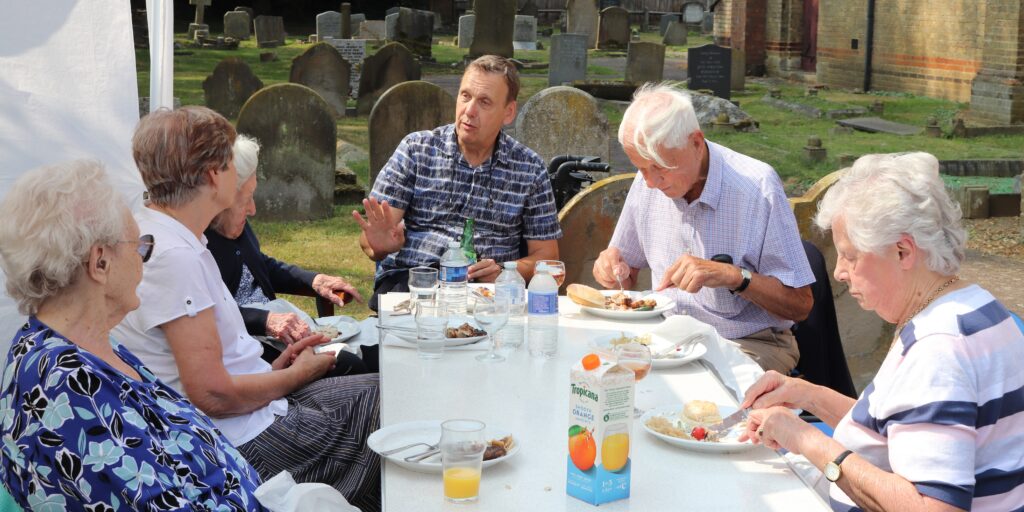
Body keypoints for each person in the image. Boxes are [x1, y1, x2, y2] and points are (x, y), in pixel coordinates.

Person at [112, 107, 381, 511]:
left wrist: (276, 370)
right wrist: (295, 377)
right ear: (212, 176)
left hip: (253, 412)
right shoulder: (175, 256)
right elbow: (212, 395)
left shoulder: (168, 236)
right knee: (392, 419)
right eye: (229, 163)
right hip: (242, 443)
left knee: (388, 391)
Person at [739, 152, 1024, 511]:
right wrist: (804, 394)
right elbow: (898, 429)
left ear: (903, 251)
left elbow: (933, 507)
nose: (840, 272)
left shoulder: (938, 349)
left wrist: (807, 440)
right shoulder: (976, 306)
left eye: (851, 256)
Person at [0, 160, 267, 510]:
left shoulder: (88, 344)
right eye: (139, 247)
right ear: (100, 263)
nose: (144, 260)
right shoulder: (67, 388)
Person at [593, 83, 814, 374]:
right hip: (665, 336)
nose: (649, 182)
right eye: (641, 168)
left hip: (747, 341)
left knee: (693, 396)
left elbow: (800, 305)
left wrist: (734, 277)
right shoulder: (648, 180)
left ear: (696, 142)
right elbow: (628, 271)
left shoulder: (756, 187)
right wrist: (612, 268)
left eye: (660, 167)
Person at [355, 54, 562, 311]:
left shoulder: (529, 168)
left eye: (484, 102)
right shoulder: (416, 150)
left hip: (489, 294)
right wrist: (377, 246)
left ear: (508, 112)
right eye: (465, 96)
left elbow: (548, 257)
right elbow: (374, 239)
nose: (469, 111)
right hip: (415, 282)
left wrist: (505, 271)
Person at [205, 135, 375, 375]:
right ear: (221, 197)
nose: (253, 209)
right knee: (350, 364)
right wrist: (265, 320)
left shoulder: (235, 226)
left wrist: (313, 280)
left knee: (375, 352)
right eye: (247, 198)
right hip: (248, 351)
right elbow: (208, 315)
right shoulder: (196, 245)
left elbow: (258, 266)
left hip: (281, 334)